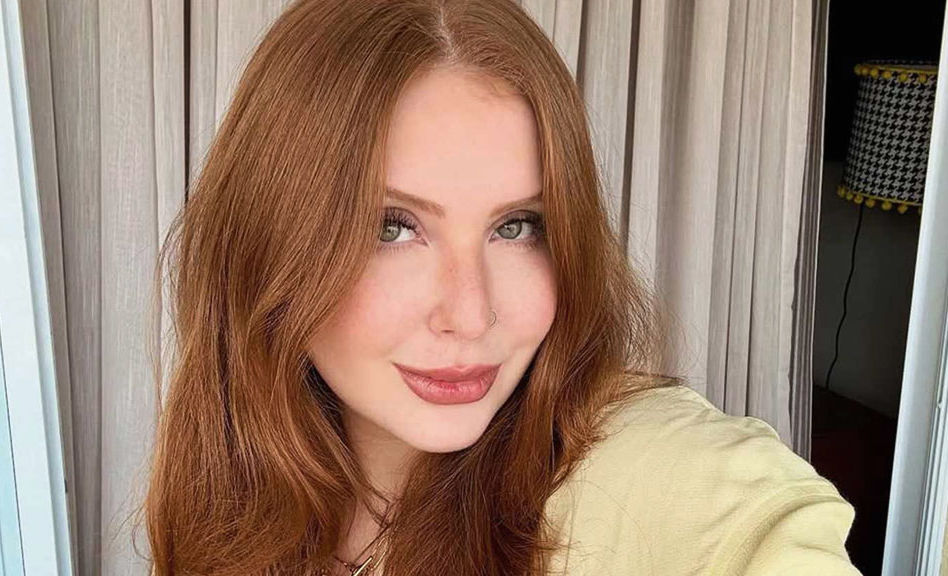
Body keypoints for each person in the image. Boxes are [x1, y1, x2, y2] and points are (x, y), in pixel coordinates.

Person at [142, 0, 861, 574]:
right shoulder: (237, 478)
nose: (471, 313)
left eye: (517, 227)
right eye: (391, 227)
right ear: (267, 240)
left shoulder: (658, 482)